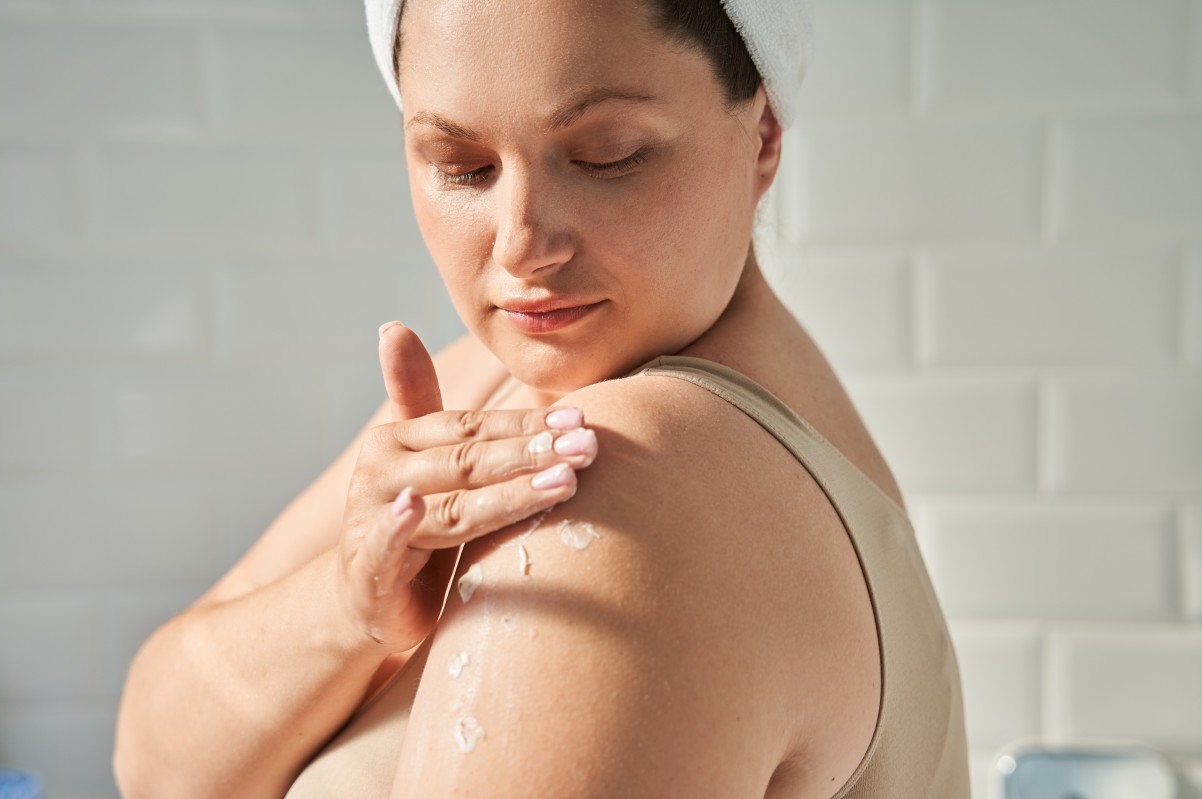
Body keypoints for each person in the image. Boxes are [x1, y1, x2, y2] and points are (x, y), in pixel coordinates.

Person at [113, 0, 970, 796]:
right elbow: (155, 761)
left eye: (608, 156)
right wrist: (350, 607)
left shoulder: (632, 473)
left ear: (764, 137)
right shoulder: (507, 382)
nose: (522, 244)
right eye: (461, 165)